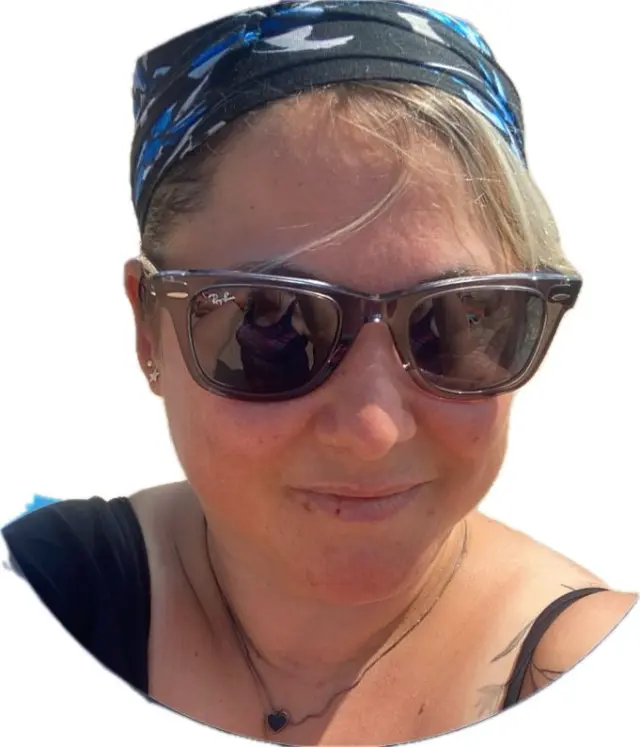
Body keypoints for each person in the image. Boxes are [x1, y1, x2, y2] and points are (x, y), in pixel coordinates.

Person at [2, 2, 636, 744]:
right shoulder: (45, 592)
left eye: (458, 318)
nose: (373, 430)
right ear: (149, 328)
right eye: (270, 321)